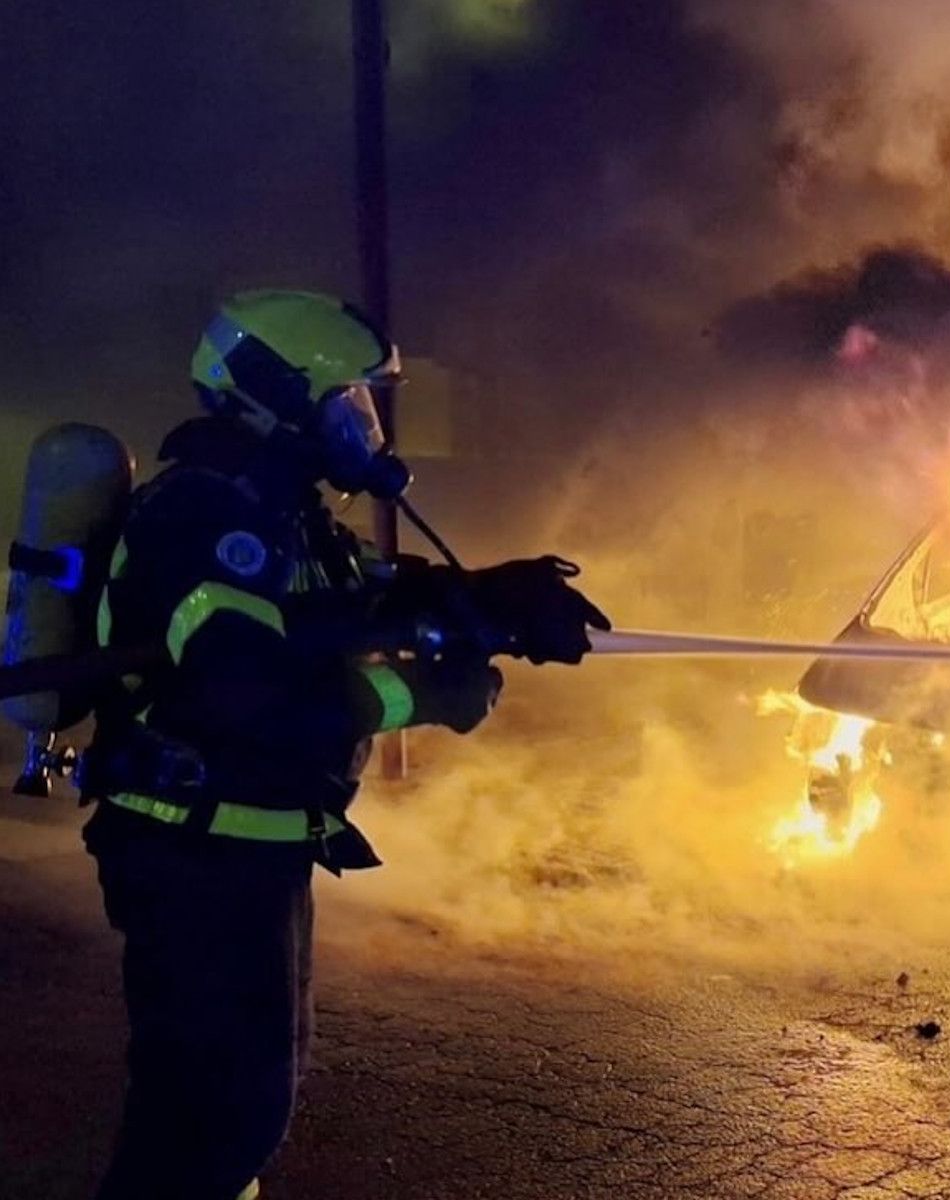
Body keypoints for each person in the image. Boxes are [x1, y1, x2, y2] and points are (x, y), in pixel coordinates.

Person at [79, 289, 609, 1200]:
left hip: (256, 847)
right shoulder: (202, 518)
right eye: (350, 402)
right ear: (278, 401)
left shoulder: (288, 518)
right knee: (207, 1117)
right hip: (194, 853)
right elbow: (248, 696)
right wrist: (423, 694)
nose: (366, 425)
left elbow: (362, 597)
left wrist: (491, 596)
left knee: (241, 1113)